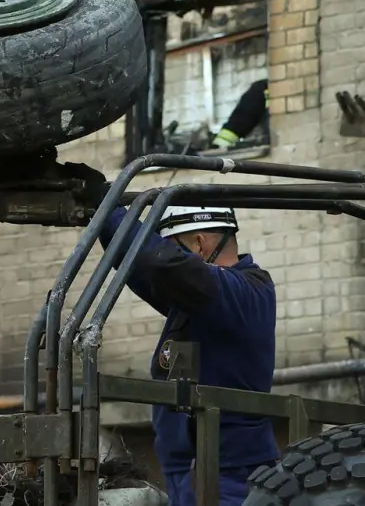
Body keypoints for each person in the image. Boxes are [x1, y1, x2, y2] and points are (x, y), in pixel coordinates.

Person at [98, 203, 278, 506]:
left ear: (199, 243)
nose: (168, 256)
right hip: (190, 471)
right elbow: (141, 266)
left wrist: (113, 210)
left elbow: (161, 265)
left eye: (174, 248)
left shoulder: (245, 292)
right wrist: (102, 212)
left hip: (229, 475)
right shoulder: (201, 299)